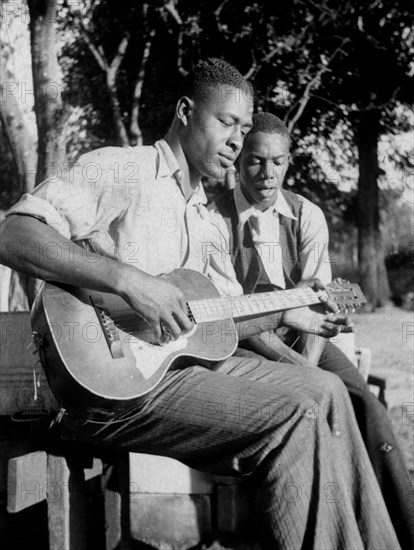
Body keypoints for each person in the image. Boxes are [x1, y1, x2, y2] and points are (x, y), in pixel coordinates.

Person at [0, 58, 402, 549]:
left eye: (246, 128)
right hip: (108, 388)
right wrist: (127, 280)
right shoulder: (123, 169)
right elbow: (15, 234)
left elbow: (221, 319)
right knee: (297, 413)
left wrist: (286, 313)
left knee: (327, 391)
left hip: (177, 372)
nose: (237, 140)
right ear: (186, 112)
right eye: (226, 123)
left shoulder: (205, 218)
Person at [209, 111, 414, 548]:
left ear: (289, 162)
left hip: (305, 339)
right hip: (243, 341)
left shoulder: (307, 215)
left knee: (366, 408)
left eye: (278, 162)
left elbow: (319, 301)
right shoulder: (212, 219)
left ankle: (399, 532)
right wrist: (302, 374)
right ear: (238, 161)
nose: (267, 174)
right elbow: (235, 318)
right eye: (255, 162)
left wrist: (310, 365)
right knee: (297, 408)